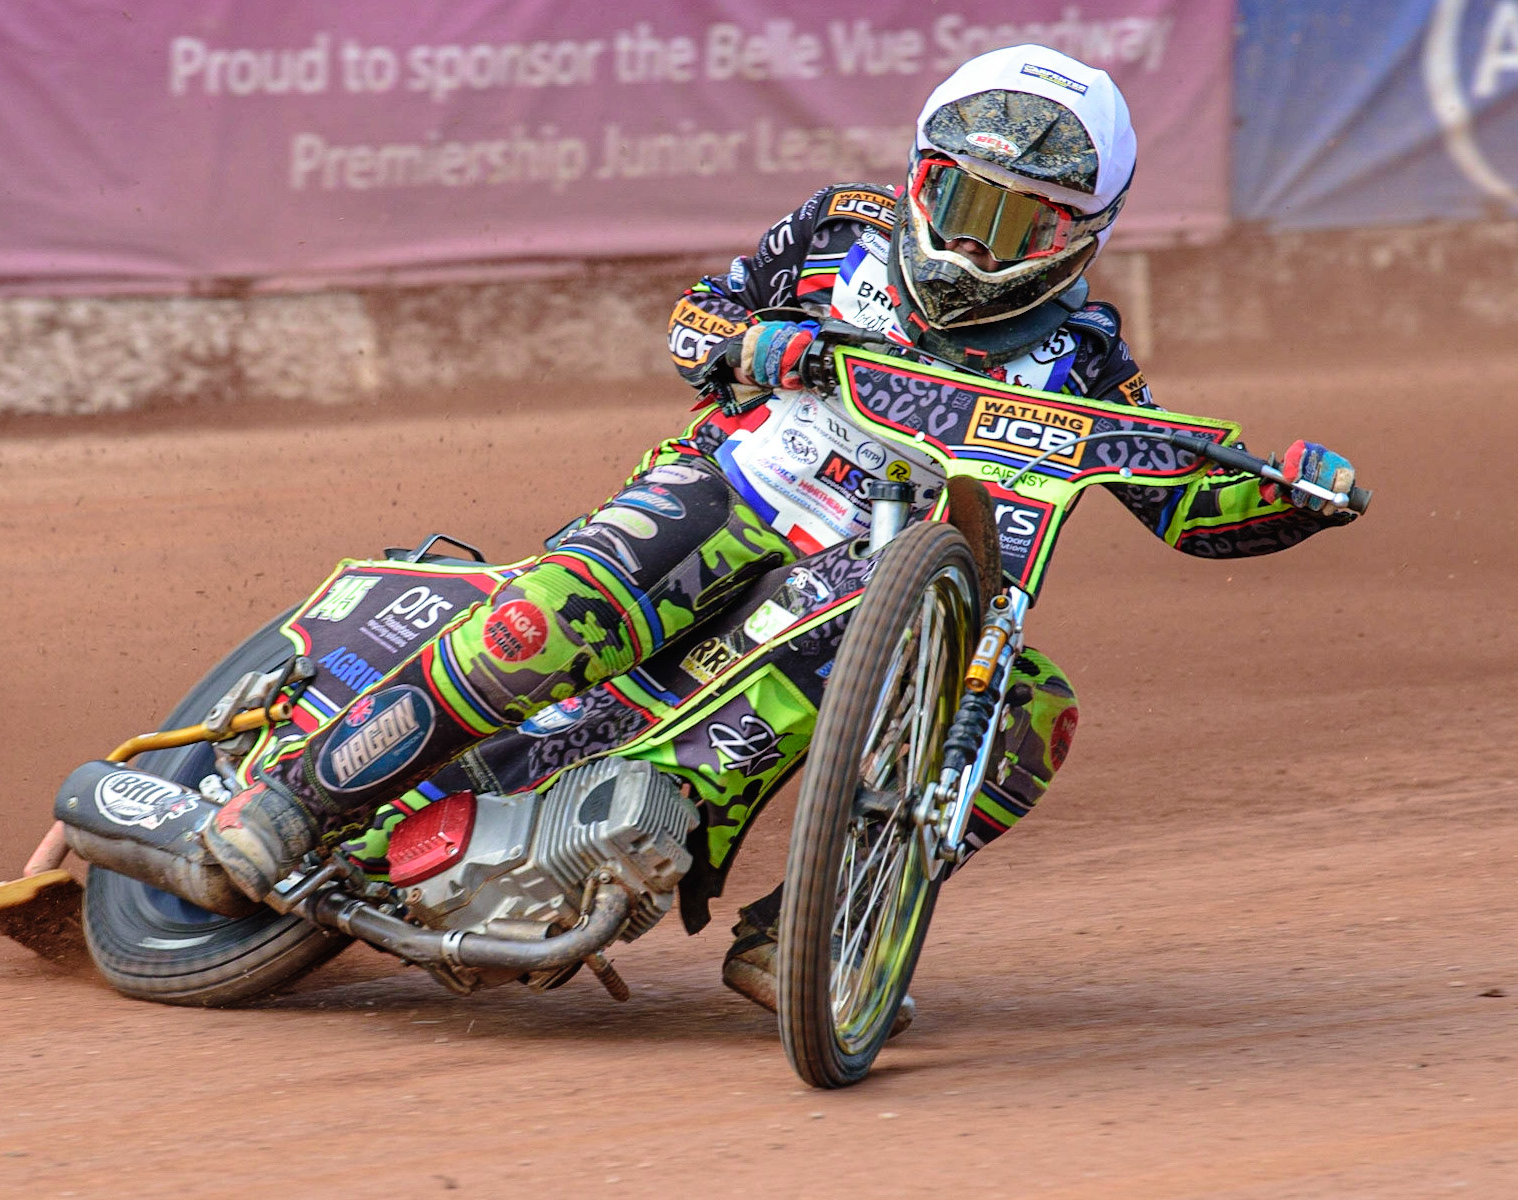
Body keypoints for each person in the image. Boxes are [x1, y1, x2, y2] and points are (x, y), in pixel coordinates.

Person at [204, 44, 1359, 1018]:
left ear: (1081, 235)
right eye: (963, 202)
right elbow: (696, 318)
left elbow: (1178, 499)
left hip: (874, 576)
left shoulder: (1088, 361)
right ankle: (300, 796)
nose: (978, 243)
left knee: (1034, 715)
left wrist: (1289, 495)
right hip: (735, 489)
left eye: (1020, 222)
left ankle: (813, 928)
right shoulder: (837, 230)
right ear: (921, 179)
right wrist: (753, 344)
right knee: (548, 621)